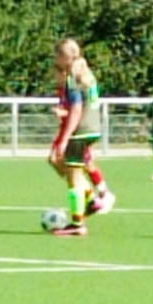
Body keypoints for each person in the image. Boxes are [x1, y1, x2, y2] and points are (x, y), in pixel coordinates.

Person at [46, 39, 105, 236]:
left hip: (81, 130)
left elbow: (77, 109)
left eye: (57, 56)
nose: (55, 60)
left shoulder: (73, 78)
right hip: (93, 128)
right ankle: (90, 201)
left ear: (64, 57)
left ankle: (78, 224)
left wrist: (64, 139)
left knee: (73, 179)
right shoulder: (87, 74)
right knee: (71, 171)